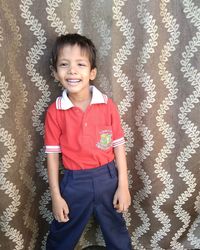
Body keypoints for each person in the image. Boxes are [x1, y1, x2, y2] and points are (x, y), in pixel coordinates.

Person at [44, 33, 132, 250]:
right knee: (62, 233)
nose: (72, 70)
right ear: (56, 73)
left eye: (80, 64)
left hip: (107, 179)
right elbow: (52, 157)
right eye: (64, 64)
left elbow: (118, 146)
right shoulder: (55, 112)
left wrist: (123, 185)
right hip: (74, 183)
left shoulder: (107, 105)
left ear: (92, 72)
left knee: (117, 232)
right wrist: (56, 196)